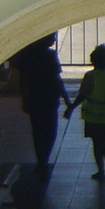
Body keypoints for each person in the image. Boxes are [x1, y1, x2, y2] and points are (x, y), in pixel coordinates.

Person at [63, 43, 105, 180]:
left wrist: (71, 108)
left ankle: (100, 169)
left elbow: (82, 94)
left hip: (92, 115)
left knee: (96, 142)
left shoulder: (89, 76)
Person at [10, 34, 71, 171]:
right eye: (53, 37)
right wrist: (67, 99)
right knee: (50, 131)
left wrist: (25, 99)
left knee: (37, 130)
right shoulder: (50, 55)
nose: (55, 40)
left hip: (35, 97)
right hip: (49, 97)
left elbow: (23, 79)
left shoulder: (27, 54)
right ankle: (44, 159)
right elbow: (57, 79)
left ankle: (41, 160)